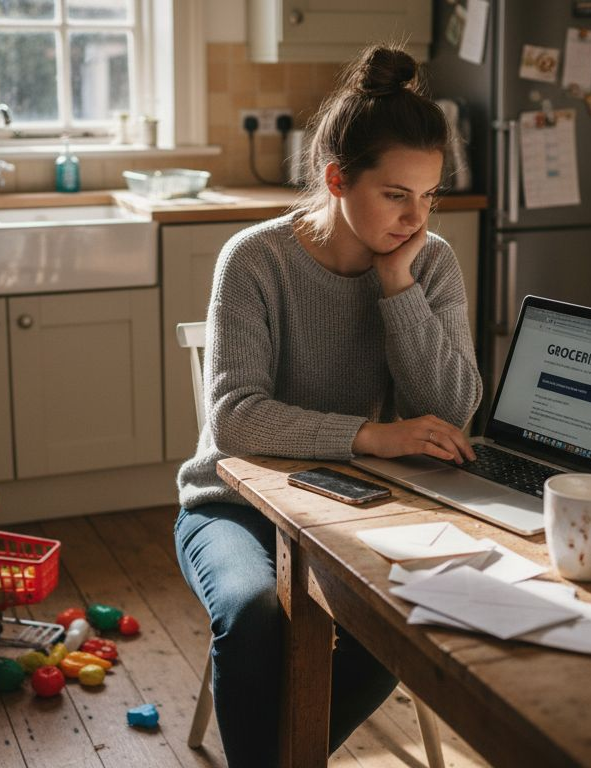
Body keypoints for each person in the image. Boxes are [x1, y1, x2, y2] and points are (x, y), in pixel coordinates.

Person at [174, 44, 482, 766]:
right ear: (337, 178)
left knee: (401, 623)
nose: (417, 217)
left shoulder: (429, 262)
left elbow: (453, 406)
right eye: (396, 195)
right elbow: (236, 420)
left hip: (356, 506)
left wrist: (399, 287)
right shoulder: (256, 259)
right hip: (231, 507)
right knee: (254, 612)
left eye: (430, 196)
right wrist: (375, 436)